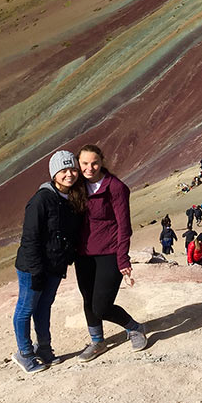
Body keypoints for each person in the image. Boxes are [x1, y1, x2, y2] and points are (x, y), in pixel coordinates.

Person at [12, 150, 86, 373]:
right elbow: (30, 238)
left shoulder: (72, 197)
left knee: (44, 307)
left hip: (55, 265)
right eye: (63, 170)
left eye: (72, 169)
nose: (69, 174)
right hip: (33, 267)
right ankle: (24, 353)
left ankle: (44, 350)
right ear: (54, 173)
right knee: (26, 308)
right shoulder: (41, 200)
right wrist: (36, 271)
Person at [75, 144, 147, 362]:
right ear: (79, 164)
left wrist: (122, 258)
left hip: (109, 252)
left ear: (102, 162)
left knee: (101, 305)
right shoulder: (77, 187)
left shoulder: (115, 187)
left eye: (94, 162)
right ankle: (97, 342)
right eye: (85, 163)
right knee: (88, 300)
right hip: (83, 254)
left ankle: (134, 327)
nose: (90, 168)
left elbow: (124, 226)